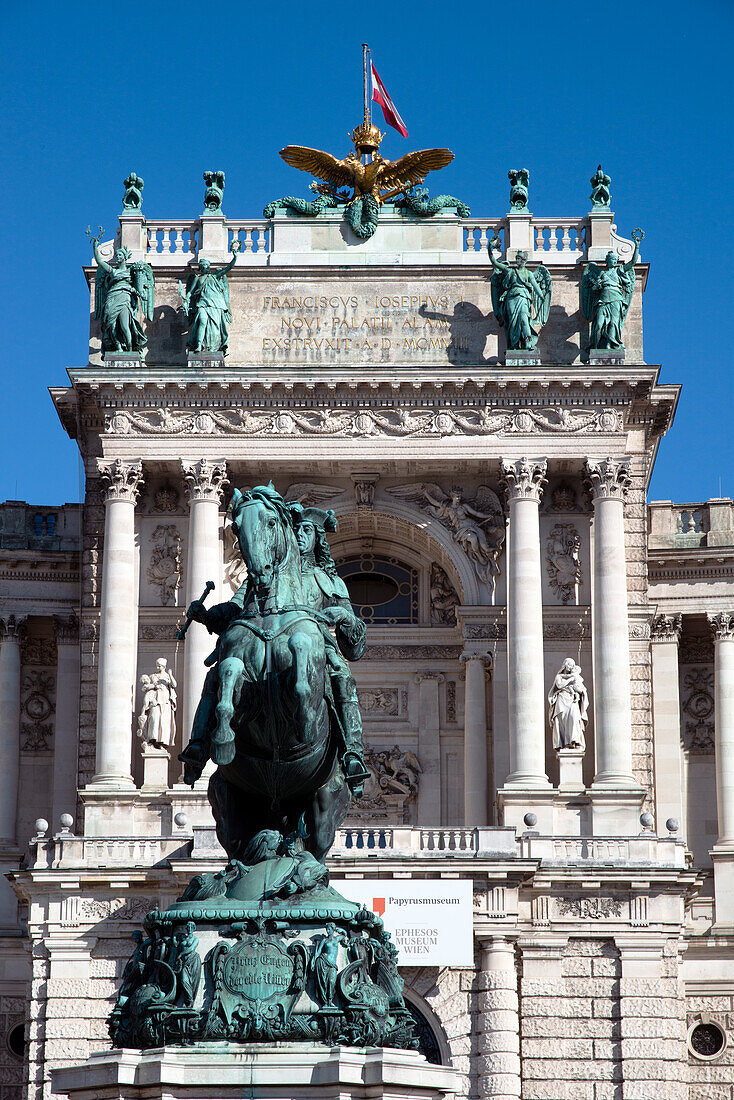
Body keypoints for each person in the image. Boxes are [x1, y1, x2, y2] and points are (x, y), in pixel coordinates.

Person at [179, 241, 240, 354]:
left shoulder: (215, 276)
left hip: (215, 304)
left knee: (215, 327)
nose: (206, 267)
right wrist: (186, 300)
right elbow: (190, 292)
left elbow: (228, 268)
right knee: (202, 321)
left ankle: (214, 346)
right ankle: (198, 345)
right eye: (204, 265)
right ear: (201, 268)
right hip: (202, 303)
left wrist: (235, 257)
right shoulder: (198, 278)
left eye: (207, 265)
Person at [548, 659, 589, 751]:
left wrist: (581, 691)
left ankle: (573, 742)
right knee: (561, 722)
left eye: (573, 665)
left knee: (574, 718)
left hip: (572, 701)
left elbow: (581, 687)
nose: (572, 667)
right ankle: (564, 744)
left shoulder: (576, 677)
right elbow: (559, 685)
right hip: (562, 699)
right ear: (565, 665)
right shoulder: (559, 676)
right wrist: (570, 679)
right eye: (570, 665)